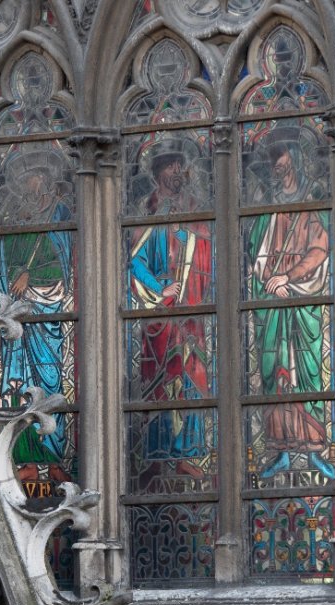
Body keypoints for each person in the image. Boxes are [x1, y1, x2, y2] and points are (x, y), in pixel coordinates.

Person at [247, 129, 333, 481]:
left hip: (302, 302)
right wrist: (269, 279)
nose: (275, 167)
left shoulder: (311, 204)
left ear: (295, 160)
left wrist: (291, 278)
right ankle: (279, 449)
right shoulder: (267, 210)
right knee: (274, 376)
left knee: (308, 374)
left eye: (280, 158)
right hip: (273, 304)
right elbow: (258, 253)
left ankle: (314, 448)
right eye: (272, 161)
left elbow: (319, 250)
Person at [129, 140, 213, 483]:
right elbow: (136, 259)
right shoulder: (147, 210)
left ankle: (188, 454)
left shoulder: (194, 207)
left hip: (190, 312)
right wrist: (159, 288)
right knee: (159, 383)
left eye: (180, 166)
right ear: (159, 172)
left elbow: (207, 248)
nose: (178, 172)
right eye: (171, 166)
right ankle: (157, 455)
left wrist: (189, 234)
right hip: (159, 314)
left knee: (191, 379)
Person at [0, 152, 73, 481]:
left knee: (48, 380)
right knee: (16, 384)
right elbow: (2, 262)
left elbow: (65, 266)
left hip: (46, 313)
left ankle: (54, 458)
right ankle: (23, 460)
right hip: (16, 319)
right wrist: (16, 278)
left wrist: (35, 280)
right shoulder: (15, 222)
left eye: (39, 176)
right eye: (28, 178)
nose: (33, 183)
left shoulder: (59, 219)